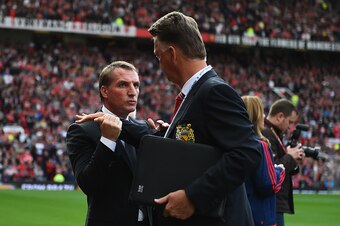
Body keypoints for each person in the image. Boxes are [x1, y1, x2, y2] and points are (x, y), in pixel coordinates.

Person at [76, 11, 261, 226]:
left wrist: (192, 196)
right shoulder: (195, 93)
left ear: (172, 54)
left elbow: (247, 152)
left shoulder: (214, 91)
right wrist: (114, 122)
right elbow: (188, 148)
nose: (159, 63)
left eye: (158, 56)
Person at [66, 61, 150, 226]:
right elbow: (88, 184)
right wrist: (107, 140)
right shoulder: (83, 130)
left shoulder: (145, 128)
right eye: (123, 85)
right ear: (104, 91)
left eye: (136, 85)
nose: (133, 92)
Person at [242, 95, 286, 226]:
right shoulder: (261, 146)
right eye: (261, 112)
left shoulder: (233, 143)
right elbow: (269, 185)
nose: (264, 116)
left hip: (240, 215)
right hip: (261, 217)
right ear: (255, 116)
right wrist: (279, 170)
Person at [262, 99, 305, 226]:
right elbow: (272, 168)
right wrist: (290, 157)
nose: (290, 127)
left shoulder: (274, 132)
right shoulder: (266, 133)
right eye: (290, 122)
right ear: (280, 116)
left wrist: (294, 160)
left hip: (275, 200)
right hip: (272, 200)